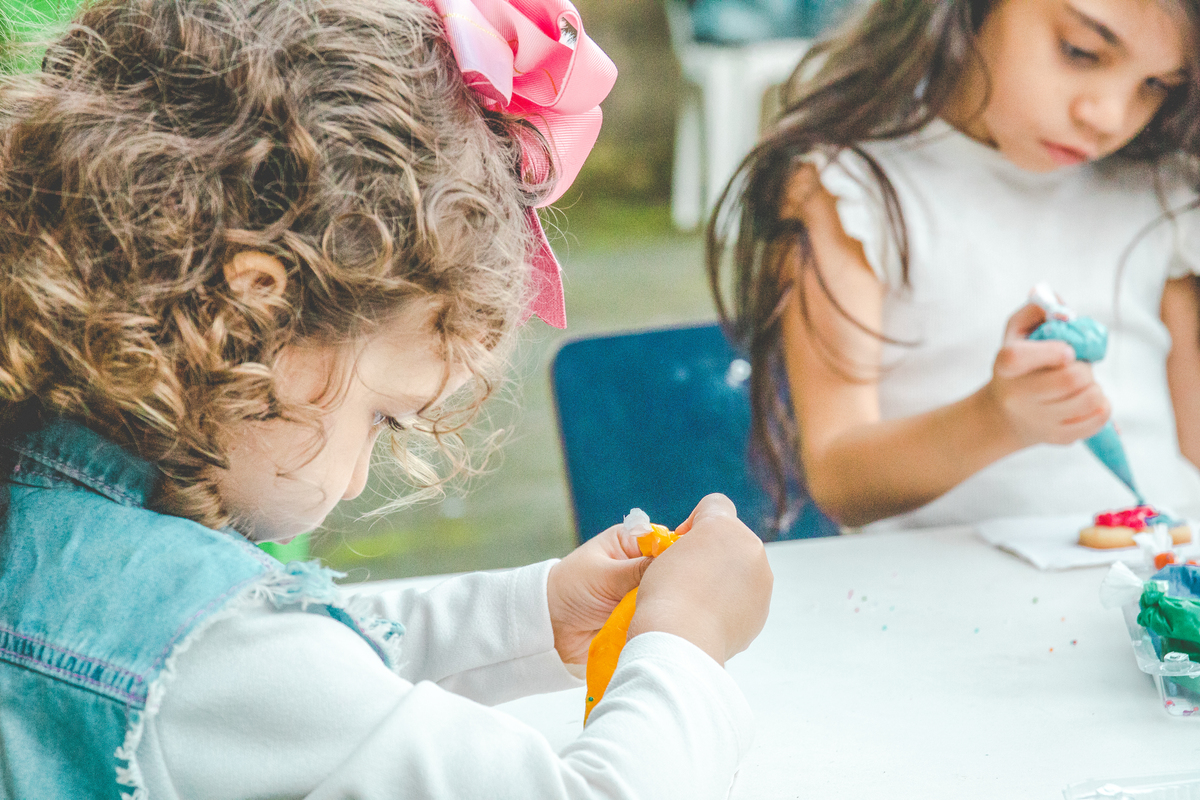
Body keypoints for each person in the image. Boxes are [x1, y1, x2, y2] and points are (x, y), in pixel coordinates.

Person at [0, 1, 773, 798]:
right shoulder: (209, 657)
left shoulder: (43, 505)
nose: (360, 480)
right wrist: (686, 643)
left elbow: (293, 674)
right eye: (380, 417)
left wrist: (535, 614)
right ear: (253, 312)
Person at [708, 0, 1200, 532]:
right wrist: (997, 418)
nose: (1109, 116)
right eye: (1080, 51)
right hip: (930, 581)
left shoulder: (1160, 188)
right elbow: (838, 477)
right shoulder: (851, 190)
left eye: (1156, 85)